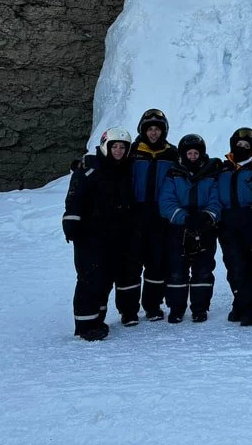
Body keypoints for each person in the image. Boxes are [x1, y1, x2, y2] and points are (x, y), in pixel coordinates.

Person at [62, 127, 134, 341]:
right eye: (115, 146)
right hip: (89, 234)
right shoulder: (89, 169)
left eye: (122, 147)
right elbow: (74, 198)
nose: (118, 150)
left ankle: (97, 320)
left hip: (113, 235)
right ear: (106, 146)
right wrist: (71, 223)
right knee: (89, 278)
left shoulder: (122, 170)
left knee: (105, 278)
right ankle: (85, 326)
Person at [158, 134, 223, 323]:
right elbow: (166, 201)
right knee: (177, 270)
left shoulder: (212, 172)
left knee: (202, 270)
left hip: (205, 227)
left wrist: (207, 216)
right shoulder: (174, 173)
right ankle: (176, 309)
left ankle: (200, 308)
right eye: (189, 153)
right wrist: (183, 218)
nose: (193, 156)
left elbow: (216, 199)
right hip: (179, 228)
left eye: (196, 153)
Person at [217, 127, 252, 326]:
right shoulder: (224, 169)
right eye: (239, 145)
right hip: (228, 220)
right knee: (234, 265)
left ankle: (250, 308)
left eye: (246, 146)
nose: (242, 148)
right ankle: (243, 302)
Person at [126, 108, 180, 324]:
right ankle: (128, 310)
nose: (153, 133)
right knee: (130, 265)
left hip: (160, 216)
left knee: (156, 264)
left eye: (157, 129)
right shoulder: (131, 152)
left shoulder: (172, 153)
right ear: (143, 130)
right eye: (150, 129)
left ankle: (153, 305)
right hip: (134, 215)